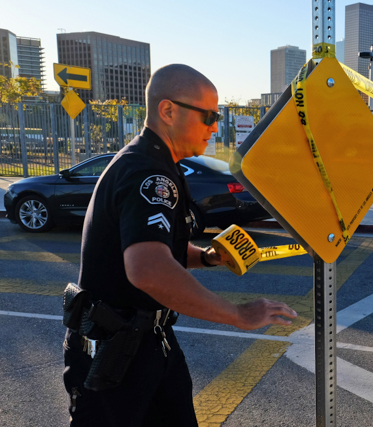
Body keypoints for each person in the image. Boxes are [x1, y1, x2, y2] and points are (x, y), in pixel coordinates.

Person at [62, 64, 297, 426]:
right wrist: (238, 315)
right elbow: (148, 268)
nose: (216, 126)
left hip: (148, 344)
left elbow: (156, 245)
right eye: (209, 116)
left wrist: (206, 257)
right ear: (168, 111)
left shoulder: (160, 164)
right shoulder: (148, 173)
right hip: (114, 356)